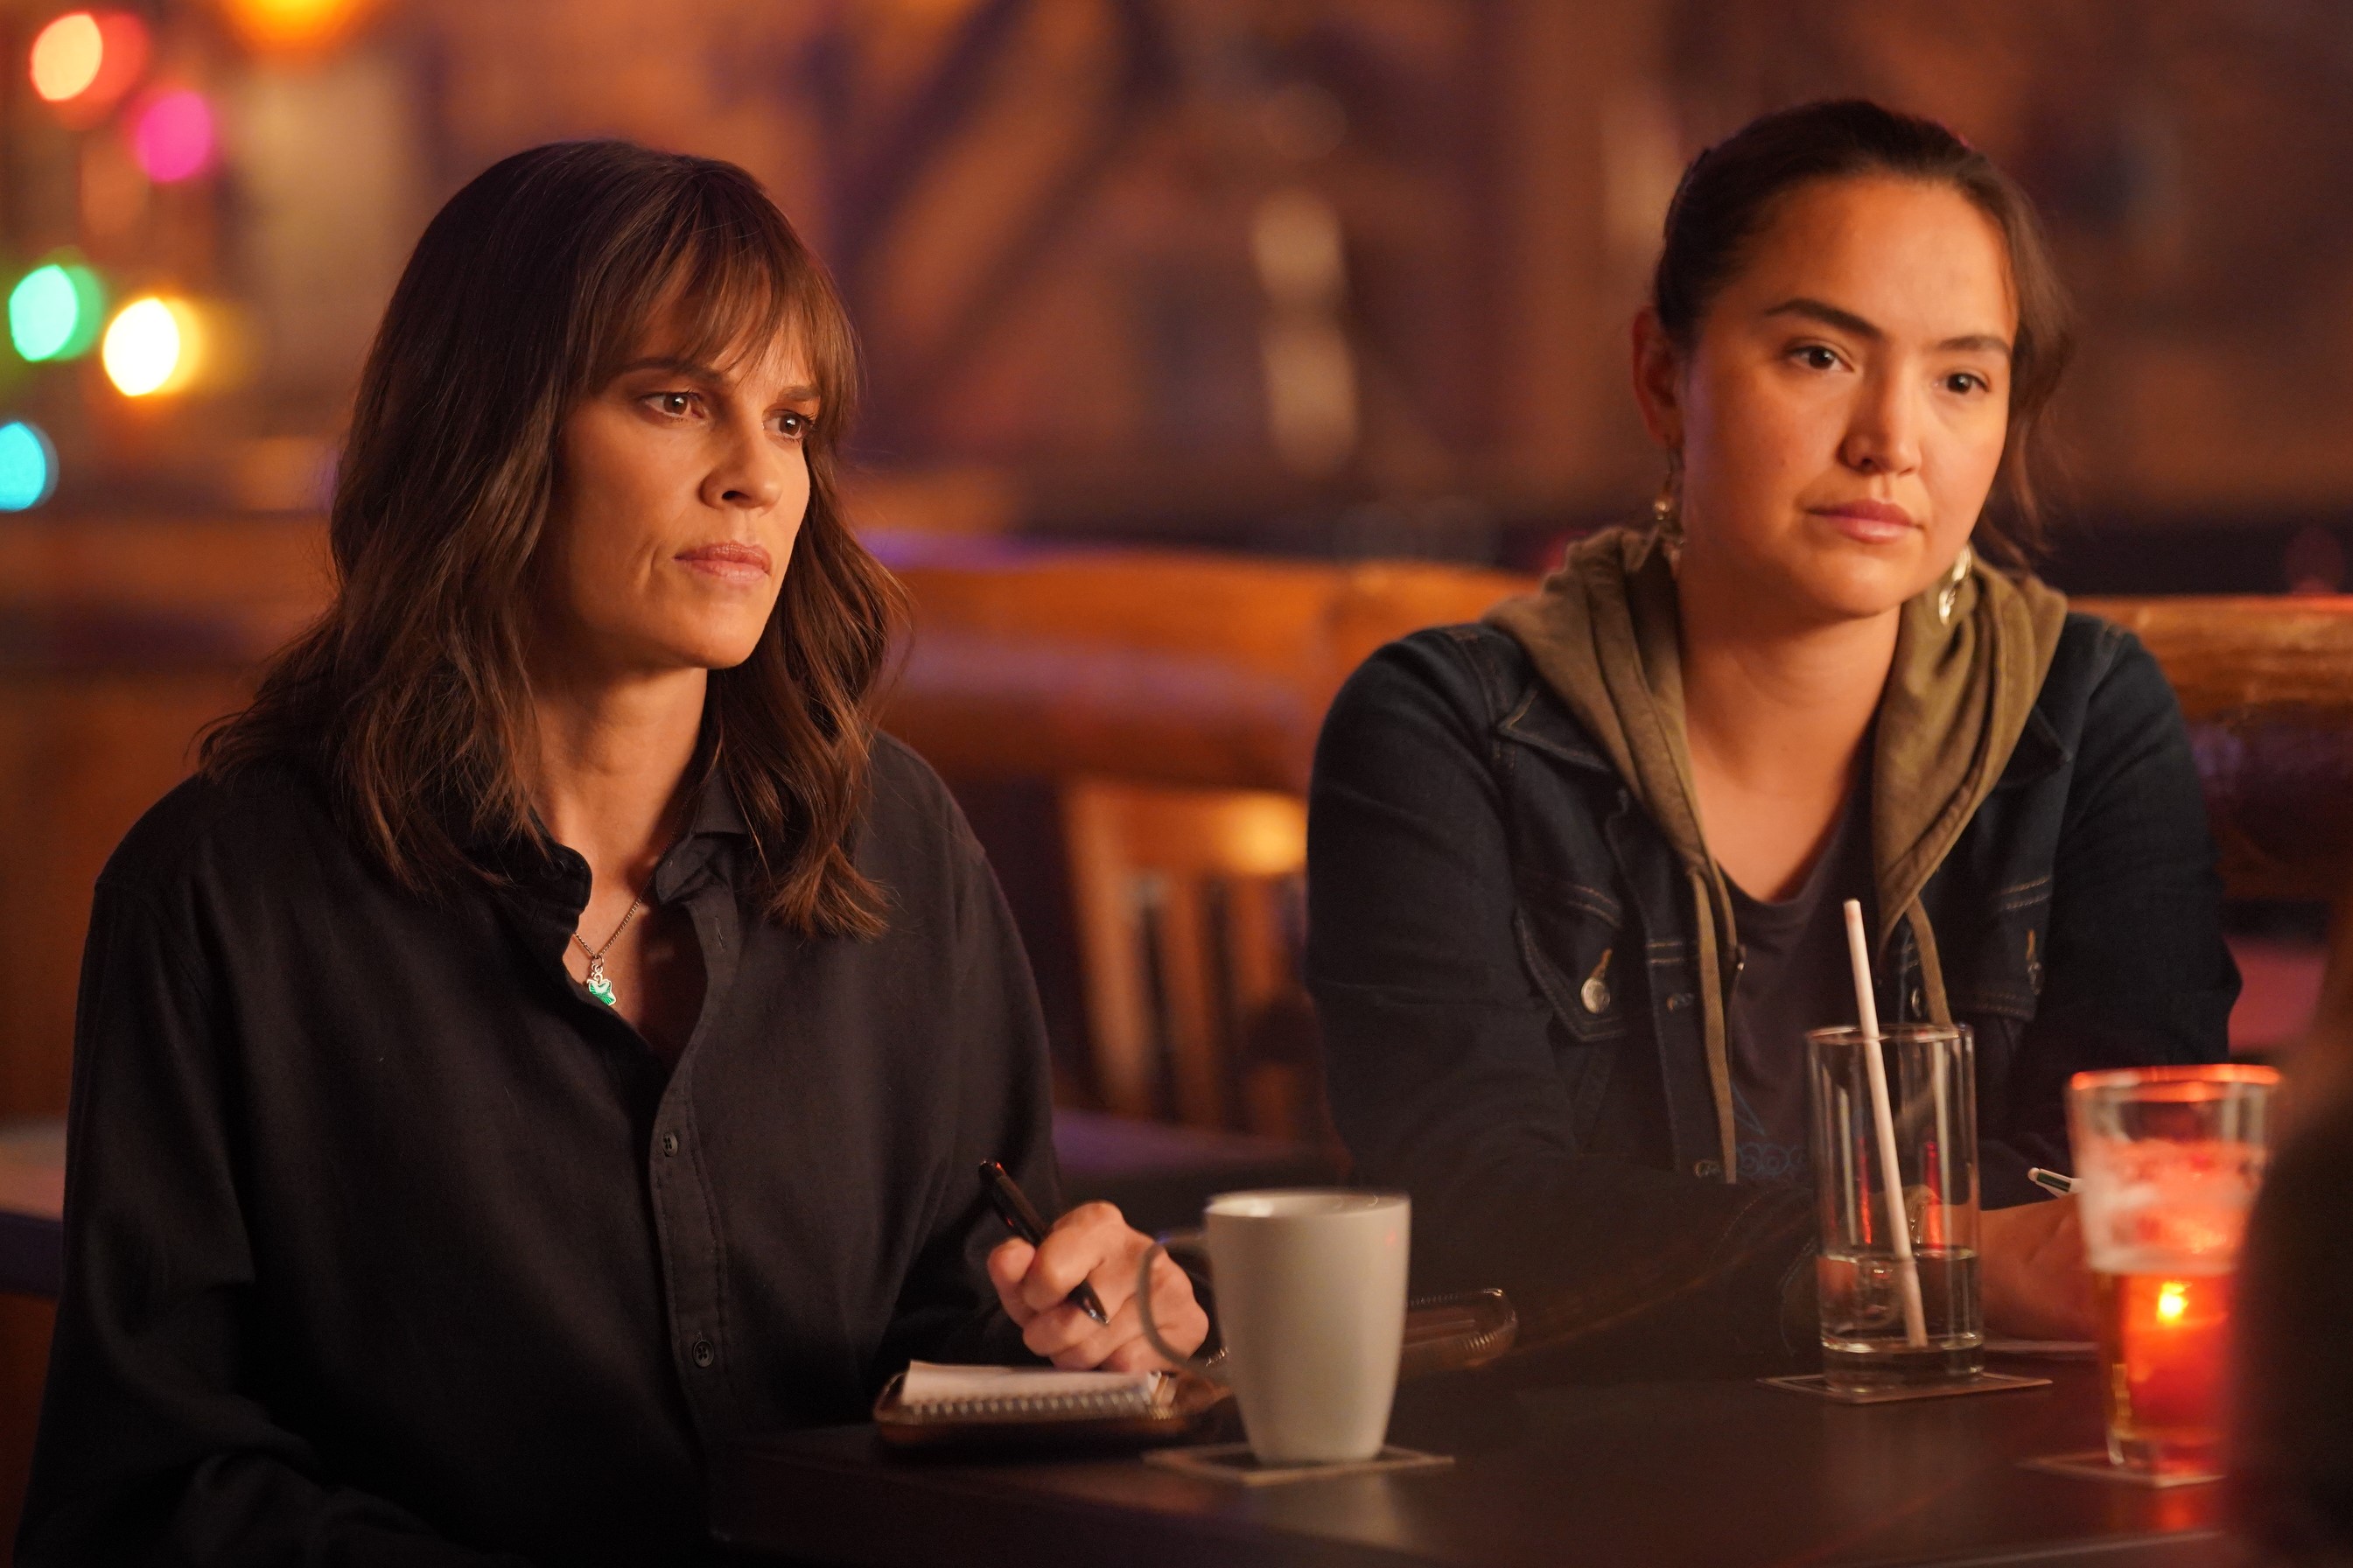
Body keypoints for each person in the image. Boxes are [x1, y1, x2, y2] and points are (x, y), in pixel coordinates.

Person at [19, 141, 1204, 1566]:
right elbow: (153, 1494)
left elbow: (953, 1366)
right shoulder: (223, 896)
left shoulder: (896, 851)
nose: (753, 479)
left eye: (789, 422)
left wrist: (1096, 1349)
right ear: (491, 430)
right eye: (674, 401)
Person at [1307, 101, 2235, 1369]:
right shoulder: (1451, 731)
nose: (1890, 442)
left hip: (1987, 1469)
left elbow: (2122, 1172)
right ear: (1659, 375)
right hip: (1570, 1483)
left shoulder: (2080, 714)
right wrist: (1925, 1259)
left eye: (1960, 379)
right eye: (1818, 356)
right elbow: (1467, 1202)